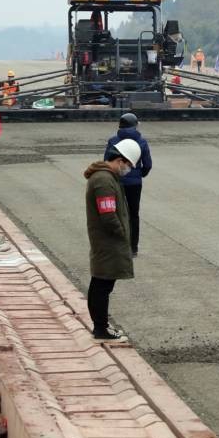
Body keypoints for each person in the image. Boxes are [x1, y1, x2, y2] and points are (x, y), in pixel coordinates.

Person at [84, 139, 142, 342]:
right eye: (128, 165)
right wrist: (122, 234)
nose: (128, 169)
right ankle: (101, 328)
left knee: (101, 283)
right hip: (107, 241)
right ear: (120, 160)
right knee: (102, 285)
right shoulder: (104, 181)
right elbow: (108, 215)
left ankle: (101, 326)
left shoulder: (107, 178)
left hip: (106, 240)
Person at [105, 112, 152, 257]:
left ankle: (117, 245)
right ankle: (133, 248)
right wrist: (139, 174)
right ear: (135, 126)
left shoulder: (113, 141)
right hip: (134, 184)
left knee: (116, 213)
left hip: (117, 181)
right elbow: (148, 165)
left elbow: (107, 161)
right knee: (133, 214)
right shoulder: (142, 142)